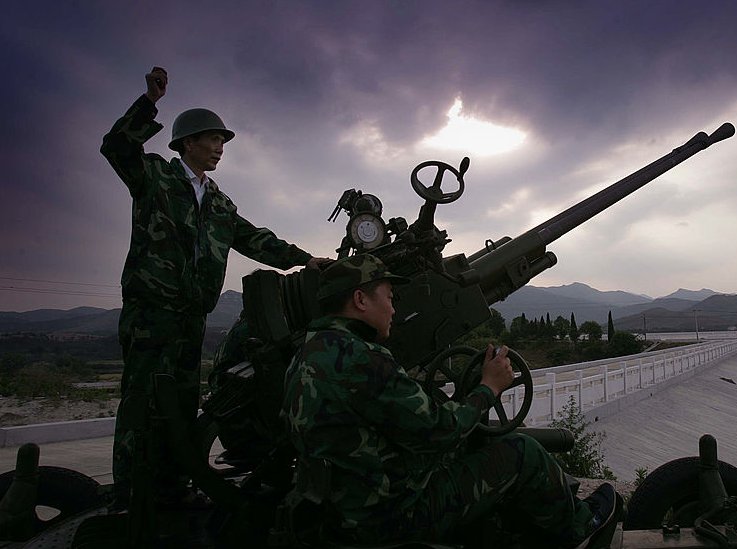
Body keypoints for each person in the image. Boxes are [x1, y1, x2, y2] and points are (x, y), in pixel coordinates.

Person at [101, 66, 332, 510]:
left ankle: (171, 487)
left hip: (192, 317)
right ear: (188, 142)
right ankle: (130, 497)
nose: (219, 148)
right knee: (142, 404)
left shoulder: (221, 203)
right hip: (152, 313)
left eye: (223, 141)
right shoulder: (155, 178)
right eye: (212, 139)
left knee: (182, 407)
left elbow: (257, 240)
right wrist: (149, 102)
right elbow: (116, 148)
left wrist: (306, 260)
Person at [281, 254, 622, 548]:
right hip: (390, 516)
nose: (394, 308)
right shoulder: (363, 359)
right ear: (360, 300)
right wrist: (489, 388)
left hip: (340, 510)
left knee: (470, 449)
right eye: (389, 296)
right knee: (521, 452)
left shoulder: (305, 356)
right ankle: (579, 529)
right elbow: (439, 431)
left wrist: (462, 403)